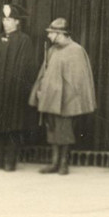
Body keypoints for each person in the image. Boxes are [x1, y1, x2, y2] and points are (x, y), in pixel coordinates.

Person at [0, 4, 39, 172]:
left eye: (9, 19)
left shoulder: (24, 41)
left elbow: (27, 69)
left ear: (17, 22)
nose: (6, 23)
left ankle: (10, 161)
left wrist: (17, 88)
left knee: (12, 126)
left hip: (13, 92)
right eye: (4, 19)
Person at [29, 18, 97, 176]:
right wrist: (40, 90)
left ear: (60, 34)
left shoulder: (76, 50)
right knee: (51, 129)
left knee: (65, 132)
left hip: (67, 100)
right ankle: (54, 163)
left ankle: (64, 164)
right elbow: (44, 73)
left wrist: (69, 97)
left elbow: (78, 79)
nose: (49, 36)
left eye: (51, 33)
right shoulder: (52, 50)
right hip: (51, 99)